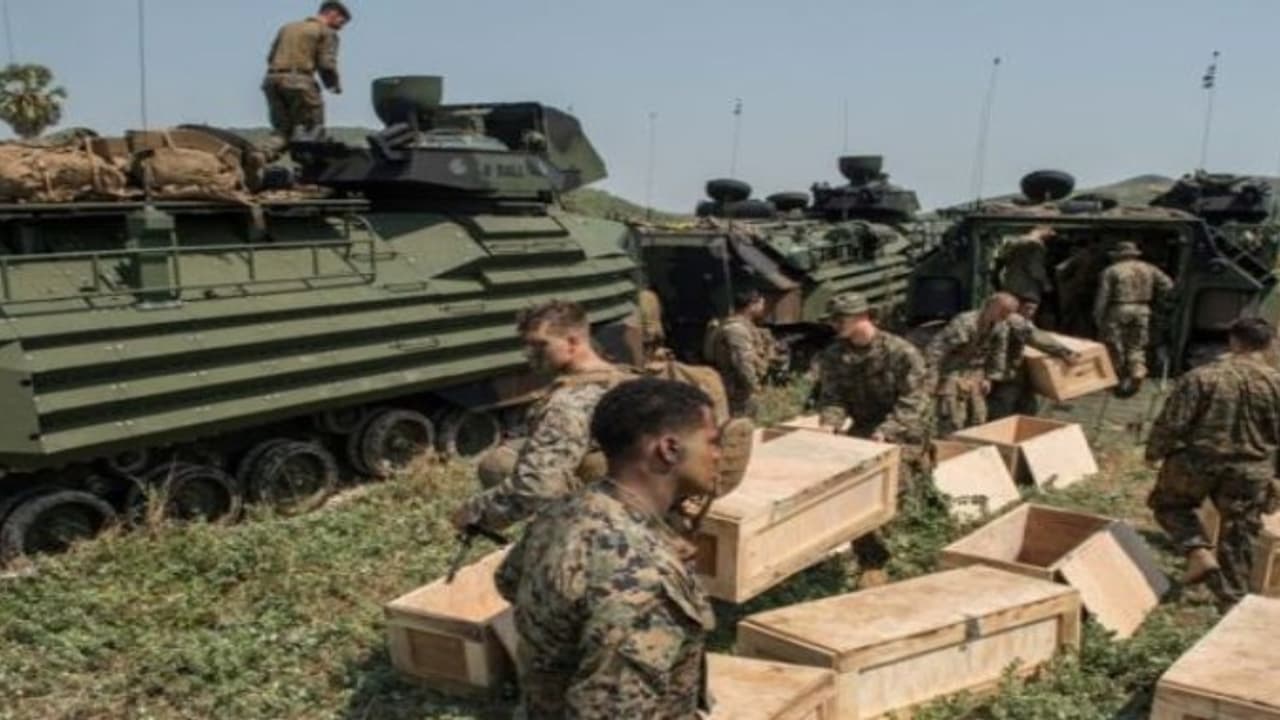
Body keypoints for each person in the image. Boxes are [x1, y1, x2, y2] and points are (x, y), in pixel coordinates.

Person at [496, 378, 719, 718]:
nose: (718, 455)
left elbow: (508, 580)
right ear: (669, 449)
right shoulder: (645, 583)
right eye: (712, 442)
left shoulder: (564, 511)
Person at [451, 300, 631, 533]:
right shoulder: (625, 380)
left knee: (497, 465)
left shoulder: (568, 404)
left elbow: (537, 488)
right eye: (526, 345)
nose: (529, 354)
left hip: (612, 525)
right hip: (645, 508)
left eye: (540, 345)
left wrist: (474, 514)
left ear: (573, 343)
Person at [1145, 317, 1280, 608]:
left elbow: (1172, 422)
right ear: (1270, 344)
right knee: (1240, 532)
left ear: (1233, 341)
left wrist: (1154, 452)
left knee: (1168, 505)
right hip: (1251, 470)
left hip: (1197, 463)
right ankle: (1232, 601)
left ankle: (1197, 551)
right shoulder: (1276, 384)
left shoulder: (1202, 377)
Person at [816, 291, 932, 587]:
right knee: (853, 488)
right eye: (832, 319)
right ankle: (870, 557)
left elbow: (915, 400)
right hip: (865, 428)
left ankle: (901, 558)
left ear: (862, 317)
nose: (834, 324)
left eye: (840, 319)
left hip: (903, 430)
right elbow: (832, 397)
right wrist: (829, 423)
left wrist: (888, 431)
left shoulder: (901, 352)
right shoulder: (835, 354)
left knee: (893, 489)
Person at [924, 293, 1020, 435]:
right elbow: (936, 349)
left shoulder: (1001, 326)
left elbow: (999, 353)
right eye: (1003, 311)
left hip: (976, 372)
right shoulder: (965, 322)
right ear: (991, 306)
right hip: (953, 370)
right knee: (954, 417)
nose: (1005, 316)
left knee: (978, 417)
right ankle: (948, 441)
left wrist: (989, 378)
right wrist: (931, 376)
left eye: (1009, 313)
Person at [262, 2, 351, 147]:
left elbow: (270, 57)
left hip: (272, 81)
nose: (341, 28)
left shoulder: (287, 28)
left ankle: (263, 153)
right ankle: (311, 159)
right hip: (300, 83)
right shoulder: (326, 32)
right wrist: (333, 85)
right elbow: (326, 65)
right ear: (332, 14)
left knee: (282, 131)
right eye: (341, 22)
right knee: (312, 130)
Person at [1094, 240, 1173, 394]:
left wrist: (1098, 315)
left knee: (1114, 344)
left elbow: (1103, 296)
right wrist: (1160, 302)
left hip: (1119, 308)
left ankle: (1117, 377)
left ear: (1118, 255)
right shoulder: (1150, 268)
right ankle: (1138, 370)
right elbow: (1168, 285)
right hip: (1143, 308)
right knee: (1137, 345)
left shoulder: (1111, 271)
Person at [988, 294, 1081, 419]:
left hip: (1015, 372)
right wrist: (1066, 353)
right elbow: (1037, 339)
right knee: (1003, 406)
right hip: (1005, 373)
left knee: (1027, 406)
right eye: (1027, 308)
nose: (1030, 312)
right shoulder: (1015, 321)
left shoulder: (1009, 319)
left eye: (1033, 309)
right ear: (1018, 306)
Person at [708, 288, 770, 418]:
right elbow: (743, 362)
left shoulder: (739, 326)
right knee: (740, 423)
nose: (763, 307)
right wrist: (754, 387)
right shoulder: (736, 330)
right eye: (761, 304)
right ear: (751, 305)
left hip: (737, 387)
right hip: (737, 390)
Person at [998, 225, 1054, 303]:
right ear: (1042, 229)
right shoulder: (1035, 245)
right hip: (1026, 290)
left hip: (1010, 286)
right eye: (1051, 230)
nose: (1053, 234)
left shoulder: (1015, 242)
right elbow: (1035, 268)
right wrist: (1046, 285)